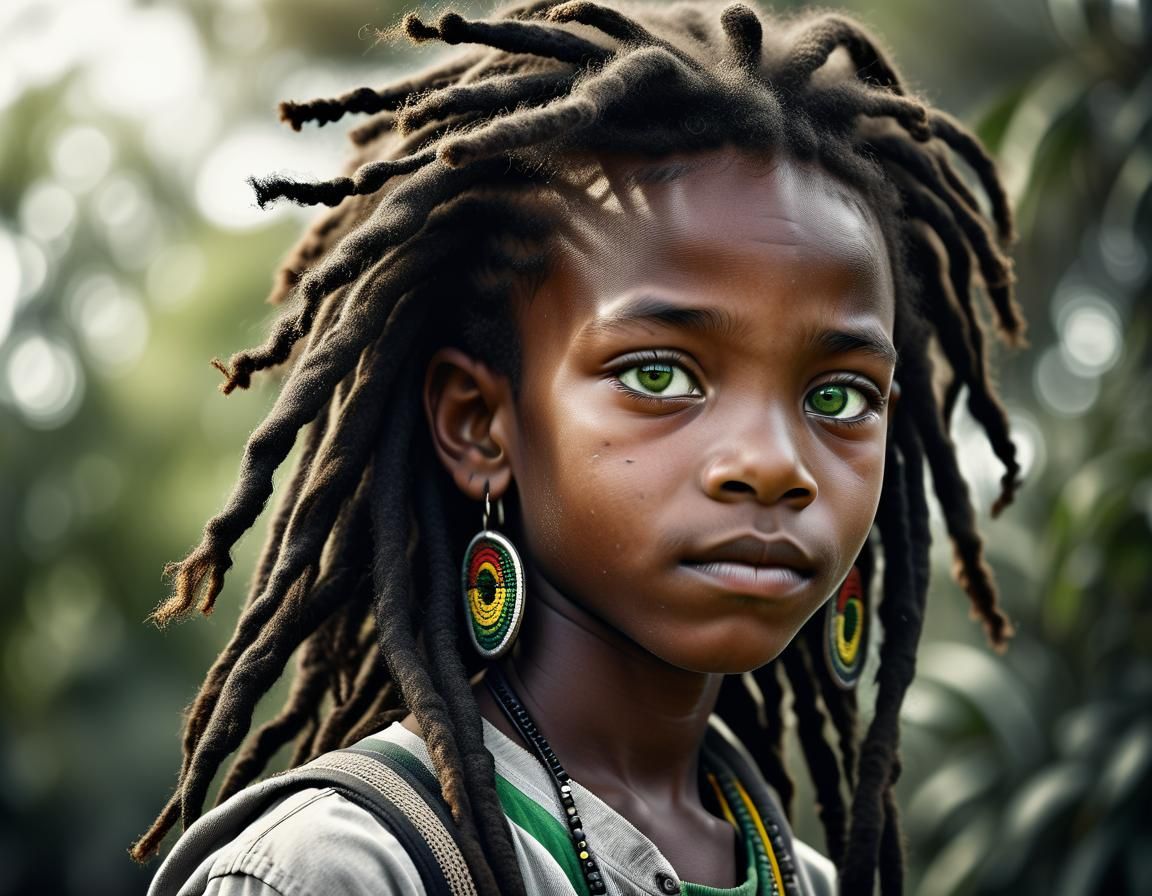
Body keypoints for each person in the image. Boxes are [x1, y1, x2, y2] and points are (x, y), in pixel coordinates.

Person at [132, 1, 1025, 893]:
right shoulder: (344, 870)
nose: (773, 464)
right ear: (479, 424)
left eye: (838, 396)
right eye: (660, 377)